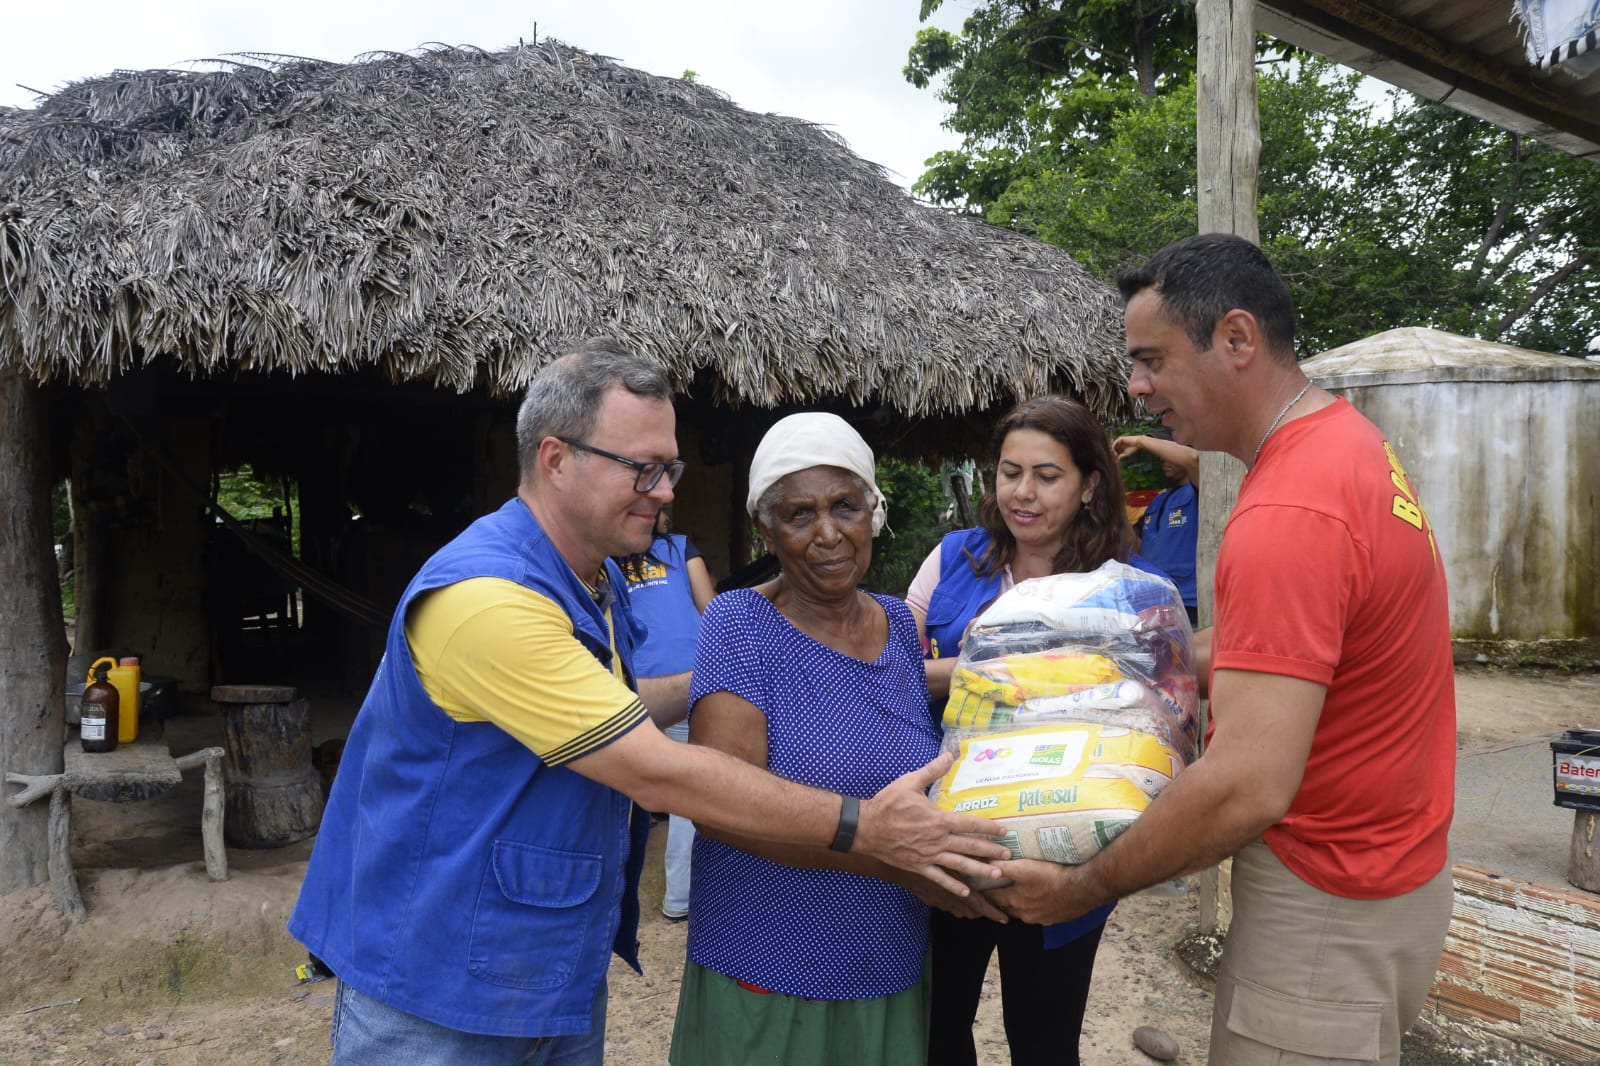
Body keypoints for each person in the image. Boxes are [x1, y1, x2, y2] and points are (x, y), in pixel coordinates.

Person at [287, 341, 1008, 1066]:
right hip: (435, 981)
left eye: (670, 468)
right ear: (556, 459)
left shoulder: (590, 585)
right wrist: (871, 831)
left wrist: (747, 681)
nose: (665, 490)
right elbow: (657, 772)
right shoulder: (488, 599)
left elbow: (598, 704)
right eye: (643, 468)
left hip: (545, 969)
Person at [988, 234, 1456, 1066]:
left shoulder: (1289, 513)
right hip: (1391, 880)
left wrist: (1080, 889)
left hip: (1324, 908)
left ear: (1236, 340)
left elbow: (1245, 785)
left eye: (1150, 360)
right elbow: (1282, 648)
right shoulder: (1350, 444)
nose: (1136, 387)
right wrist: (1113, 658)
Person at [669, 412, 1004, 1066]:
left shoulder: (898, 629)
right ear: (765, 528)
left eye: (846, 506)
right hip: (766, 973)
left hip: (886, 965)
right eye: (799, 515)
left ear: (872, 512)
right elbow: (719, 809)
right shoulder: (741, 626)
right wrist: (895, 857)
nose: (828, 533)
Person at [904, 395, 1170, 1066]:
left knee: (1044, 1041)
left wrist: (1008, 663)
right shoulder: (955, 558)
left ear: (1087, 485)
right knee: (934, 1029)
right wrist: (980, 667)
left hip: (1065, 850)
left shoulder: (1127, 587)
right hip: (952, 844)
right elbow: (894, 670)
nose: (1022, 493)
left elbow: (1156, 709)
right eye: (1009, 471)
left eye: (1047, 476)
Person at [616, 507, 716, 921]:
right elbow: (711, 609)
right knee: (686, 792)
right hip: (648, 693)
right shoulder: (605, 559)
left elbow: (712, 610)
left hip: (685, 686)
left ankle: (679, 898)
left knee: (680, 794)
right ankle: (677, 898)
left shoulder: (679, 548)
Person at [1113, 428, 1200, 626]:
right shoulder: (1158, 502)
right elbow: (1134, 547)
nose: (1163, 459)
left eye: (1169, 451)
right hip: (1152, 605)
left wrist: (1140, 441)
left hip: (1189, 605)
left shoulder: (1198, 491)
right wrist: (1118, 499)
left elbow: (1194, 459)